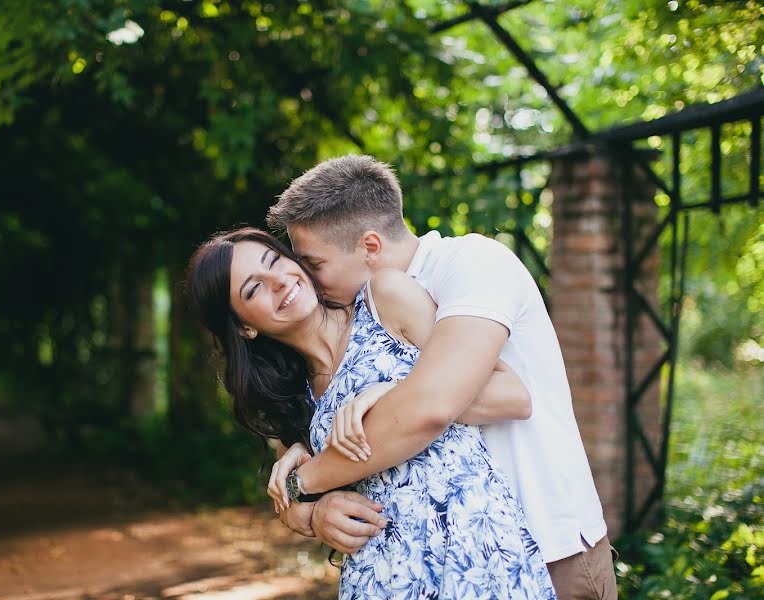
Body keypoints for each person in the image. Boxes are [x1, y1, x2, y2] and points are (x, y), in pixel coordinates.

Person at [265, 155, 618, 600]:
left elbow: (433, 406)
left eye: (314, 264)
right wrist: (311, 508)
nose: (309, 282)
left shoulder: (472, 263)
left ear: (370, 248)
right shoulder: (361, 315)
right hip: (441, 568)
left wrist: (381, 398)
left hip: (548, 551)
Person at [187, 227, 556, 598]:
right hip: (381, 577)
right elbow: (295, 502)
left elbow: (512, 395)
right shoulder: (289, 395)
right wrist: (319, 512)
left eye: (275, 261)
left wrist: (391, 390)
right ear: (245, 327)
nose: (279, 282)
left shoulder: (384, 299)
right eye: (254, 289)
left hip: (476, 551)